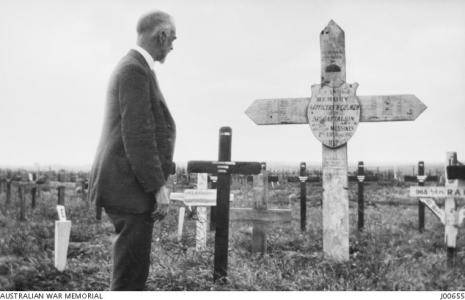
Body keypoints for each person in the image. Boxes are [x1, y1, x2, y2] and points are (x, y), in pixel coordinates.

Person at [88, 11, 177, 290]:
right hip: (130, 189)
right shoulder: (134, 69)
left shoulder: (137, 67)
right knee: (130, 279)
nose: (173, 46)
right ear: (161, 36)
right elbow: (138, 134)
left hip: (128, 187)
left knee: (132, 271)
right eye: (172, 39)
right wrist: (157, 186)